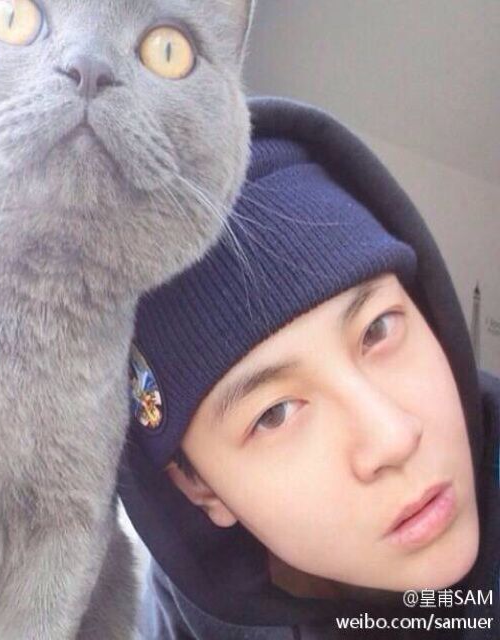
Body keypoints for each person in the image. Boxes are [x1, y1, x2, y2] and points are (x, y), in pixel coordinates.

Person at [118, 98, 499, 639]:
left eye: (378, 329)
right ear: (200, 487)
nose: (393, 437)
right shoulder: (188, 620)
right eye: (274, 413)